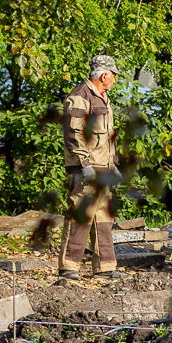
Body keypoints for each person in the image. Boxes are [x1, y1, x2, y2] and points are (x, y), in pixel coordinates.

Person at [57, 54, 123, 280]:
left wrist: (113, 164)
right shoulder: (79, 97)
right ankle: (69, 267)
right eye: (114, 75)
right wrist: (84, 165)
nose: (114, 79)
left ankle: (105, 267)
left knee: (103, 217)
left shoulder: (102, 97)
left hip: (103, 168)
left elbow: (107, 137)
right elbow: (73, 134)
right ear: (105, 75)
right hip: (85, 169)